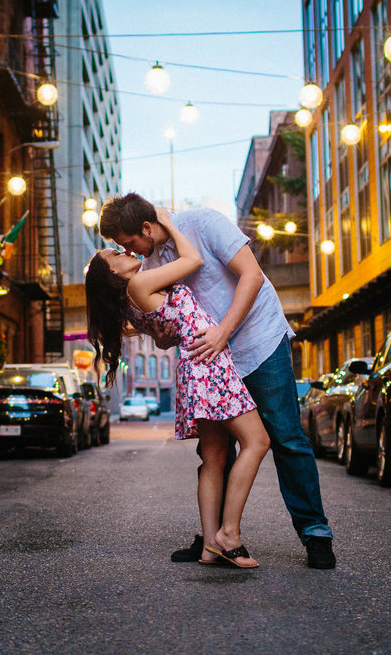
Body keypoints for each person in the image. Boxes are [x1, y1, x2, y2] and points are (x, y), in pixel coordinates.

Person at [99, 193, 336, 569]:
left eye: (129, 244)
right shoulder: (150, 263)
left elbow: (252, 276)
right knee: (214, 453)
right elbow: (168, 322)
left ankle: (314, 533)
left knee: (287, 437)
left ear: (146, 227)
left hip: (258, 341)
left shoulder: (203, 223)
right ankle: (215, 540)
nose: (132, 252)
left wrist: (223, 331)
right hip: (211, 360)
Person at [85, 207, 270, 568]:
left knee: (215, 456)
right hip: (209, 362)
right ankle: (229, 535)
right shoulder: (140, 284)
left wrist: (163, 337)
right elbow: (194, 259)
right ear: (112, 274)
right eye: (115, 254)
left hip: (194, 365)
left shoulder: (131, 298)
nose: (126, 252)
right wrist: (167, 223)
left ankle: (209, 546)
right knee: (257, 442)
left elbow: (162, 335)